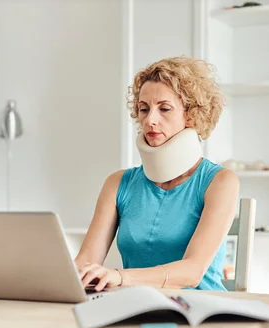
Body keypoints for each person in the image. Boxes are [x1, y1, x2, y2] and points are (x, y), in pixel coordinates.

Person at [74, 56, 240, 292]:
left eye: (164, 109)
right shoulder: (118, 183)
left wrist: (119, 277)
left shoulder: (220, 182)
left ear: (192, 114)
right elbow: (85, 263)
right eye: (144, 109)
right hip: (137, 308)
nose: (150, 120)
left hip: (202, 313)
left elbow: (192, 272)